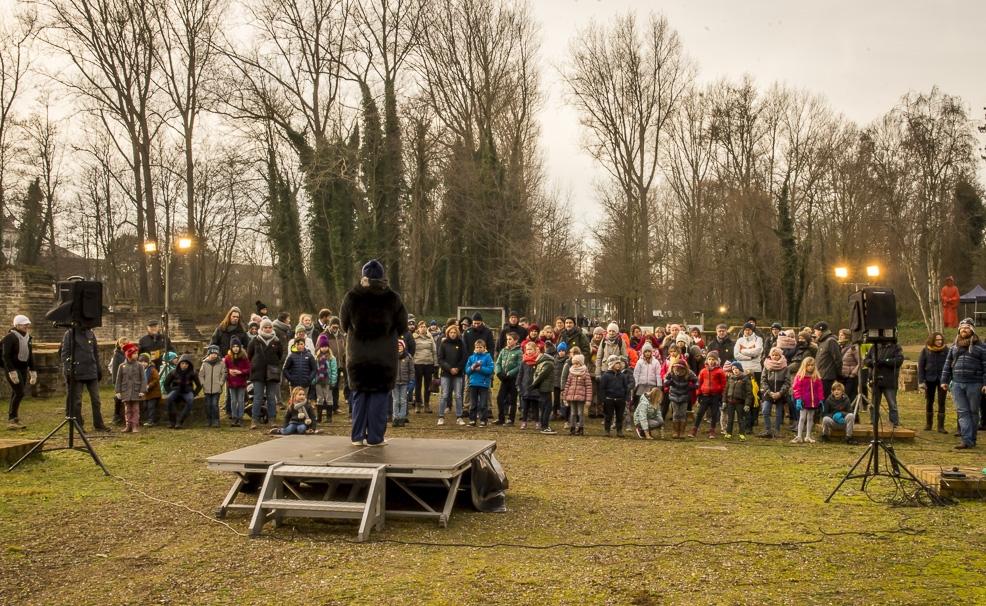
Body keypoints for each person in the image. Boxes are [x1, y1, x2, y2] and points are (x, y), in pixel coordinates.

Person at [340, 259, 409, 447]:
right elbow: (403, 325)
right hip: (383, 357)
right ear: (382, 276)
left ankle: (357, 436)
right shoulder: (393, 298)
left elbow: (344, 324)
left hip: (357, 355)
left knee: (359, 395)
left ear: (364, 276)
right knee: (379, 396)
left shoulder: (351, 296)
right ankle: (375, 437)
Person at [941, 318, 985, 450]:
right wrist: (944, 380)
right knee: (962, 412)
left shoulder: (981, 347)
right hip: (957, 384)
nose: (964, 329)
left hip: (974, 384)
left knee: (973, 412)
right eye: (962, 328)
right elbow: (947, 365)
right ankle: (966, 440)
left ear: (971, 330)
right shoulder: (954, 347)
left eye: (967, 327)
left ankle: (972, 439)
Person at [60, 324, 108, 431]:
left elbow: (95, 352)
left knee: (96, 400)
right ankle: (79, 425)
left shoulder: (90, 333)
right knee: (77, 401)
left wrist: (98, 368)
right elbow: (65, 354)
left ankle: (99, 424)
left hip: (91, 370)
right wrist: (68, 370)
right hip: (77, 371)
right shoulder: (69, 334)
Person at [247, 319, 284, 429]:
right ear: (261, 328)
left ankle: (272, 419)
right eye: (265, 327)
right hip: (258, 373)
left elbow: (280, 355)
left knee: (271, 397)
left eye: (269, 327)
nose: (268, 329)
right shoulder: (255, 341)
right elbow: (250, 355)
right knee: (258, 397)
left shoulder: (277, 341)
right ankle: (254, 420)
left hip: (272, 373)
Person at [3, 315, 36, 430]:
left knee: (16, 392)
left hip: (22, 369)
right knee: (20, 392)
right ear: (17, 325)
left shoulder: (28, 338)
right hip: (12, 369)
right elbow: (5, 356)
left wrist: (33, 370)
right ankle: (12, 419)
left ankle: (13, 418)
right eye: (24, 324)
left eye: (27, 324)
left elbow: (30, 355)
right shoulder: (10, 337)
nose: (27, 326)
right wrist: (12, 371)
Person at [863, 339, 904, 429]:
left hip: (889, 380)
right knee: (874, 403)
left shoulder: (896, 347)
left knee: (892, 404)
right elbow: (866, 360)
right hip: (876, 380)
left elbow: (899, 360)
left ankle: (894, 423)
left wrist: (885, 361)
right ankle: (874, 421)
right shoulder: (874, 347)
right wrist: (872, 362)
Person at [917, 332, 949, 433]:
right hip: (929, 379)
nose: (939, 342)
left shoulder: (946, 350)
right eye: (937, 340)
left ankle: (941, 426)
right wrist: (921, 381)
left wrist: (949, 379)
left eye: (940, 340)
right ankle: (928, 424)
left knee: (941, 401)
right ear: (932, 340)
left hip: (942, 380)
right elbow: (921, 366)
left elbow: (949, 365)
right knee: (929, 401)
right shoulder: (926, 350)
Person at [437, 324, 467, 426]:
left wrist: (457, 368)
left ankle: (459, 417)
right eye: (451, 332)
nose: (453, 334)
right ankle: (441, 416)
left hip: (458, 374)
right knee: (444, 395)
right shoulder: (443, 343)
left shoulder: (461, 343)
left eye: (454, 332)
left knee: (458, 395)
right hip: (446, 373)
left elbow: (464, 358)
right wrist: (449, 368)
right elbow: (440, 359)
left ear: (457, 333)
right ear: (448, 333)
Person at [113, 343, 146, 433]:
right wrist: (118, 391)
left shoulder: (139, 366)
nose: (137, 355)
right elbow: (118, 379)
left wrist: (142, 390)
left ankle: (135, 425)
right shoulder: (122, 366)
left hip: (136, 391)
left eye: (137, 353)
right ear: (129, 354)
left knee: (135, 409)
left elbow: (143, 379)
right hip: (126, 391)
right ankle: (128, 425)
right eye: (135, 353)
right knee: (127, 409)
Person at [163, 354, 202, 429]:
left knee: (190, 400)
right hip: (176, 390)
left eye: (186, 364)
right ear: (179, 363)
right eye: (182, 363)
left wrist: (194, 394)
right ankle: (172, 421)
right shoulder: (173, 372)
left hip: (187, 391)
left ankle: (180, 421)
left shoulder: (193, 373)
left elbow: (199, 386)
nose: (184, 365)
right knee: (169, 399)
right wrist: (170, 392)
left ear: (189, 365)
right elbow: (166, 384)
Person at [758, 347, 790, 439]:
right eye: (773, 355)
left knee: (779, 413)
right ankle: (768, 430)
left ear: (780, 356)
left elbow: (787, 382)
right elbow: (763, 380)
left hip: (780, 393)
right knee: (765, 410)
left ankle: (777, 430)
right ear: (770, 355)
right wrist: (769, 392)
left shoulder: (785, 367)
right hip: (768, 393)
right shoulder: (766, 366)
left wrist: (780, 393)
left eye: (777, 355)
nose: (775, 357)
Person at [791, 356, 824, 444]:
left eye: (812, 365)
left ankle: (808, 436)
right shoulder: (799, 376)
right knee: (802, 418)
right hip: (803, 401)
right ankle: (799, 436)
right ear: (805, 366)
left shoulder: (816, 377)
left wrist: (821, 399)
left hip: (813, 401)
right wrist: (798, 399)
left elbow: (820, 389)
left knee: (810, 418)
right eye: (808, 365)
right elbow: (796, 388)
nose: (810, 367)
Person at [692, 354, 726, 439]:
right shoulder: (703, 371)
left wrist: (721, 395)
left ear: (716, 361)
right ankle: (694, 429)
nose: (711, 361)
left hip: (715, 396)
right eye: (709, 359)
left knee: (714, 413)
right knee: (700, 413)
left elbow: (723, 385)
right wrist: (698, 394)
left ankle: (712, 430)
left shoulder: (720, 371)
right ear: (707, 360)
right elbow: (699, 383)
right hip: (705, 395)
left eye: (713, 359)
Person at [494, 331, 523, 425]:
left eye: (510, 339)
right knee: (500, 398)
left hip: (513, 379)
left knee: (512, 399)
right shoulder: (503, 350)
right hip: (504, 379)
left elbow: (520, 366)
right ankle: (501, 418)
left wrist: (510, 373)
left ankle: (511, 419)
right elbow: (498, 362)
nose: (508, 341)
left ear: (516, 340)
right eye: (507, 339)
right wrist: (498, 372)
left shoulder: (519, 352)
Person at [599, 355, 632, 437]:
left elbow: (626, 388)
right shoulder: (605, 376)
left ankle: (619, 431)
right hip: (609, 399)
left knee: (619, 416)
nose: (618, 365)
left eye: (619, 363)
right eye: (616, 363)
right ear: (611, 364)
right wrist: (603, 400)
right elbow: (602, 389)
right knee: (608, 416)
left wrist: (626, 398)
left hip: (620, 399)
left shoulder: (623, 376)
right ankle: (607, 430)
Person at [465, 339, 494, 427]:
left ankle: (483, 420)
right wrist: (472, 368)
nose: (478, 349)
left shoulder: (488, 357)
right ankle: (472, 420)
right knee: (473, 404)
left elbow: (490, 370)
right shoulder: (471, 358)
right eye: (477, 347)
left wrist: (480, 369)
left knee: (483, 404)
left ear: (485, 348)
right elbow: (467, 370)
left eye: (480, 347)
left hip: (484, 384)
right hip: (473, 384)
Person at [665, 360, 697, 439]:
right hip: (674, 395)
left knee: (682, 414)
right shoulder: (671, 373)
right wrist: (668, 382)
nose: (678, 371)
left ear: (685, 369)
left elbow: (697, 381)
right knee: (675, 414)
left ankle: (682, 432)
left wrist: (691, 387)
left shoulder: (689, 373)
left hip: (684, 396)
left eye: (680, 369)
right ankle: (675, 432)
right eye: (676, 369)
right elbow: (665, 379)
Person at [720, 361, 752, 440]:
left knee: (740, 419)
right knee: (730, 419)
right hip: (730, 402)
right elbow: (725, 391)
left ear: (740, 369)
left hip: (740, 403)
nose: (735, 370)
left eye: (736, 368)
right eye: (733, 369)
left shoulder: (745, 379)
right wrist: (724, 401)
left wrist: (747, 404)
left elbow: (749, 393)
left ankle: (742, 434)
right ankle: (728, 433)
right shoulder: (730, 378)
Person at [563, 353, 593, 435]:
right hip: (572, 396)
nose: (575, 365)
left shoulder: (585, 373)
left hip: (581, 397)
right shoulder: (571, 372)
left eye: (577, 363)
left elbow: (589, 387)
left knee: (580, 413)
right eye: (574, 363)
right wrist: (564, 397)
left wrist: (588, 400)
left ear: (581, 363)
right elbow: (567, 385)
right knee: (573, 413)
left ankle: (581, 428)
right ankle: (572, 428)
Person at [224, 338, 251, 427]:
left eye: (237, 346)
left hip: (241, 382)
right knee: (233, 400)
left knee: (240, 400)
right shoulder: (228, 358)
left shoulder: (244, 357)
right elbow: (224, 369)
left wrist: (241, 372)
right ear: (231, 348)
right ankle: (234, 417)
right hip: (231, 382)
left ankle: (240, 417)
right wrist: (229, 372)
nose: (235, 348)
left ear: (240, 347)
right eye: (233, 346)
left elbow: (248, 369)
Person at [531, 342, 557, 434]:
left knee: (544, 407)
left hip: (543, 387)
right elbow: (541, 375)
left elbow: (537, 374)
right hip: (546, 388)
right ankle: (545, 426)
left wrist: (534, 384)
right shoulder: (549, 363)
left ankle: (543, 425)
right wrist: (533, 385)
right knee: (547, 407)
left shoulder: (542, 361)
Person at [199, 344, 227, 429]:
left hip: (216, 388)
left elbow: (224, 373)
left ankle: (216, 420)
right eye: (212, 353)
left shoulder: (221, 363)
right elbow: (201, 375)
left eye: (216, 353)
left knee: (214, 404)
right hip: (207, 388)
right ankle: (208, 419)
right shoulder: (204, 363)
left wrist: (221, 383)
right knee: (208, 404)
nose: (214, 355)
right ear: (209, 354)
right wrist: (203, 383)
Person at [412, 321, 437, 414]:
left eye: (424, 326)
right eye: (421, 326)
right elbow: (412, 351)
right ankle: (418, 404)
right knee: (418, 385)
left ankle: (427, 404)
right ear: (418, 328)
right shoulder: (414, 338)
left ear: (426, 328)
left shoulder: (430, 338)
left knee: (428, 385)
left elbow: (434, 351)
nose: (423, 328)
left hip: (428, 364)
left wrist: (436, 364)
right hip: (417, 364)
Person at [313, 333, 338, 424]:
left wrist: (333, 381)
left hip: (328, 381)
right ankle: (319, 417)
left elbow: (334, 370)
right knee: (319, 398)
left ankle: (329, 417)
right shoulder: (316, 358)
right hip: (319, 381)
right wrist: (313, 380)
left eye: (325, 346)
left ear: (328, 347)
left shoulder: (332, 358)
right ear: (319, 347)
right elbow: (314, 370)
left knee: (329, 398)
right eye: (322, 346)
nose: (324, 348)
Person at [813, 321, 842, 398]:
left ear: (820, 330)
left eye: (815, 331)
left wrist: (838, 375)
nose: (814, 333)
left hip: (827, 377)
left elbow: (838, 359)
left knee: (826, 399)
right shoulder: (822, 342)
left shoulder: (831, 341)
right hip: (820, 376)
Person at [325, 317, 347, 414]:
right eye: (333, 326)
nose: (335, 328)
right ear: (330, 326)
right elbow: (319, 349)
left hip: (339, 365)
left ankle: (335, 407)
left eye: (337, 326)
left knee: (336, 386)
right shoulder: (324, 335)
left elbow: (346, 348)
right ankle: (326, 407)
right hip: (328, 364)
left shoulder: (342, 336)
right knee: (327, 387)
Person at [517, 341, 540, 430]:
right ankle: (524, 422)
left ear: (535, 350)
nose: (529, 351)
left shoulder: (538, 361)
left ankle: (537, 422)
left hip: (535, 388)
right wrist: (518, 384)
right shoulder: (523, 362)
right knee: (525, 407)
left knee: (535, 407)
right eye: (527, 349)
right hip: (525, 388)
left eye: (531, 349)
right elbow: (520, 374)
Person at [393, 340, 415, 427]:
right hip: (395, 382)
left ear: (404, 346)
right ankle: (395, 418)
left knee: (403, 400)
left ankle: (402, 418)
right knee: (395, 401)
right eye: (397, 345)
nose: (399, 347)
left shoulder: (408, 357)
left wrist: (411, 380)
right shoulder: (392, 356)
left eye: (401, 345)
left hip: (405, 382)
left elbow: (411, 370)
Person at [109, 337, 128, 425]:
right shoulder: (117, 355)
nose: (124, 345)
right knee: (118, 397)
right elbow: (115, 369)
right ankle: (116, 416)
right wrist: (115, 382)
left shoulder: (128, 353)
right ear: (119, 344)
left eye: (126, 343)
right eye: (122, 343)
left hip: (127, 379)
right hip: (119, 379)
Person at [139, 353, 161, 427]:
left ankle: (152, 420)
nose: (143, 363)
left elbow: (156, 379)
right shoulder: (142, 370)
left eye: (145, 362)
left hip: (153, 393)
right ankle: (147, 419)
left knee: (151, 407)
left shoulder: (152, 369)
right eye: (141, 362)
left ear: (148, 362)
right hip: (146, 394)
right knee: (145, 406)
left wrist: (149, 386)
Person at [838, 329, 860, 402]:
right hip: (842, 376)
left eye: (842, 335)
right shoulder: (840, 347)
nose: (840, 337)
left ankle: (853, 412)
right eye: (839, 335)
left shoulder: (853, 347)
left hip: (851, 377)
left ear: (847, 336)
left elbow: (861, 361)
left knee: (850, 396)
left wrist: (853, 373)